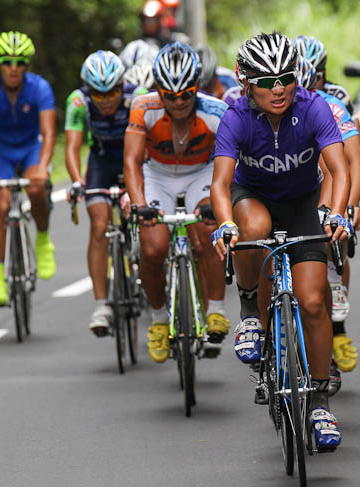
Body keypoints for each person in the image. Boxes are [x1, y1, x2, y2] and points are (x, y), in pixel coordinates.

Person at [211, 32, 351, 450]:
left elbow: (338, 170)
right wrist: (224, 224)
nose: (278, 89)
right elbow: (219, 183)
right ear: (246, 82)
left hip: (303, 201)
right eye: (266, 80)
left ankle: (320, 400)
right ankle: (250, 306)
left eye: (286, 78)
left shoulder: (314, 108)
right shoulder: (235, 117)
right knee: (252, 226)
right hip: (252, 198)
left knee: (311, 301)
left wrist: (336, 212)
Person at [123, 42, 230, 363]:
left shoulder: (216, 111)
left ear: (197, 88)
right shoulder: (143, 106)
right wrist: (140, 204)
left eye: (187, 94)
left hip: (202, 172)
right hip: (157, 175)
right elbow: (131, 161)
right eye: (170, 95)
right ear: (159, 90)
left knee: (209, 234)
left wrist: (217, 202)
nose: (179, 101)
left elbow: (228, 164)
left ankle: (216, 311)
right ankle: (158, 321)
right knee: (153, 248)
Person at [295, 35, 360, 377]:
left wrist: (351, 205)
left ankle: (337, 325)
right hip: (295, 181)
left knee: (334, 234)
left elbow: (354, 159)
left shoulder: (335, 100)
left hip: (327, 177)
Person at [0, 31, 56, 307]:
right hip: (3, 151)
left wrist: (42, 168)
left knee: (35, 187)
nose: (14, 68)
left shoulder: (40, 88)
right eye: (7, 61)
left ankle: (42, 238)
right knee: (2, 206)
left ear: (27, 66)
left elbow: (49, 133)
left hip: (32, 146)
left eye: (20, 62)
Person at [64, 50, 145, 336]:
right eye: (99, 95)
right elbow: (73, 149)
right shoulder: (78, 102)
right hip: (100, 164)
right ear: (89, 91)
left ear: (122, 84)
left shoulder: (139, 96)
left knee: (145, 218)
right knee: (99, 226)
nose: (107, 100)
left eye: (112, 92)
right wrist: (76, 181)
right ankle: (102, 304)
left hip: (136, 161)